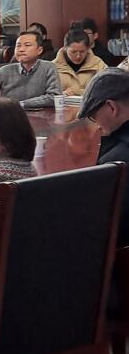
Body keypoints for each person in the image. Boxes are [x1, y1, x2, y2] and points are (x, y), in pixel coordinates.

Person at [78, 69, 129, 246]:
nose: (97, 127)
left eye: (93, 117)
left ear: (111, 107)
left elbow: (101, 226)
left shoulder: (117, 163)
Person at [0, 30, 61, 109]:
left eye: (27, 45)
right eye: (18, 46)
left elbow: (54, 96)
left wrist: (21, 104)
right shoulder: (6, 70)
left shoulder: (48, 67)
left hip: (42, 117)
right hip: (10, 116)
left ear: (39, 50)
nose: (21, 49)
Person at [53, 27, 106, 95]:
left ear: (88, 49)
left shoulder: (98, 64)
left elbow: (107, 89)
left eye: (82, 51)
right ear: (65, 48)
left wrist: (78, 91)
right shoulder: (53, 66)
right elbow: (47, 93)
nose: (78, 56)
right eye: (73, 52)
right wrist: (61, 94)